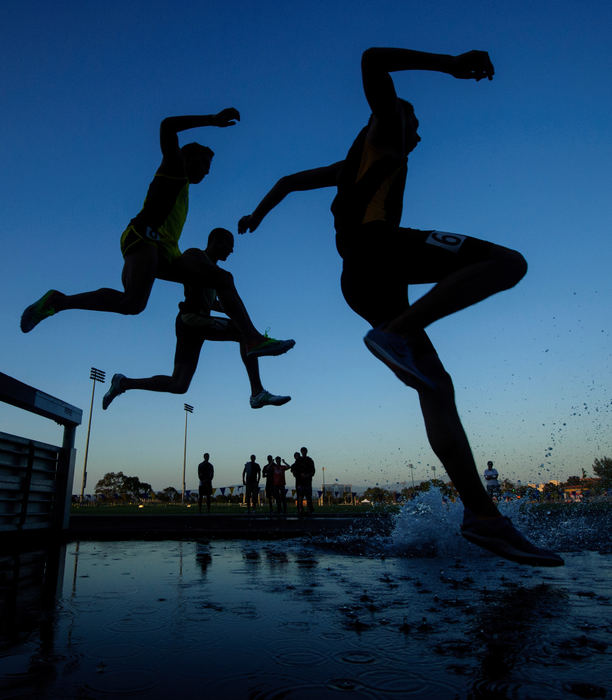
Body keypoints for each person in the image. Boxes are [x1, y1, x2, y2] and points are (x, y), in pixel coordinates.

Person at [238, 47, 563, 567]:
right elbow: (371, 59)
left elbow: (288, 182)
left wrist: (256, 214)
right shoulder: (385, 121)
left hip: (360, 282)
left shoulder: (348, 165)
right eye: (415, 121)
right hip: (378, 250)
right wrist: (452, 64)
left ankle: (481, 515)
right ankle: (398, 333)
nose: (417, 132)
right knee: (508, 263)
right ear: (391, 113)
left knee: (437, 386)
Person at [21, 109, 240, 333]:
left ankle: (58, 302)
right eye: (203, 164)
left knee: (133, 304)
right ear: (188, 157)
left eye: (208, 167)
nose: (206, 172)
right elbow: (167, 126)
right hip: (145, 236)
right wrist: (211, 120)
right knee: (207, 279)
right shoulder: (175, 166)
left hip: (165, 248)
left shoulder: (184, 190)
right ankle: (243, 333)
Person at [101, 228, 294, 409]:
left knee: (179, 384)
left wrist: (234, 309)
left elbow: (211, 302)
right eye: (229, 244)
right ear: (215, 241)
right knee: (243, 333)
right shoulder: (195, 255)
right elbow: (185, 274)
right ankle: (257, 392)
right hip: (192, 319)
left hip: (190, 323)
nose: (232, 250)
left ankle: (123, 383)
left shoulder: (213, 273)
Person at [292, 446, 316, 515]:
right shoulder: (298, 460)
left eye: (304, 451)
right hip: (300, 481)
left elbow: (313, 471)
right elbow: (293, 469)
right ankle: (300, 510)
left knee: (308, 496)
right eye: (302, 451)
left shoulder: (309, 460)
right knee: (300, 497)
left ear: (306, 452)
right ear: (301, 452)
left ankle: (309, 510)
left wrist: (307, 475)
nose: (303, 452)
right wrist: (297, 474)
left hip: (307, 481)